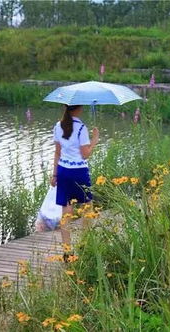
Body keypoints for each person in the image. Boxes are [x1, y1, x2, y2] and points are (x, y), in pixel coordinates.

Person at [50, 105, 99, 248]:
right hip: (79, 172)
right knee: (87, 207)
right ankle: (85, 244)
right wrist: (94, 140)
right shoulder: (81, 128)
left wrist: (54, 174)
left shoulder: (58, 126)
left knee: (66, 212)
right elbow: (85, 154)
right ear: (79, 108)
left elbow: (57, 153)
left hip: (63, 171)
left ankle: (67, 250)